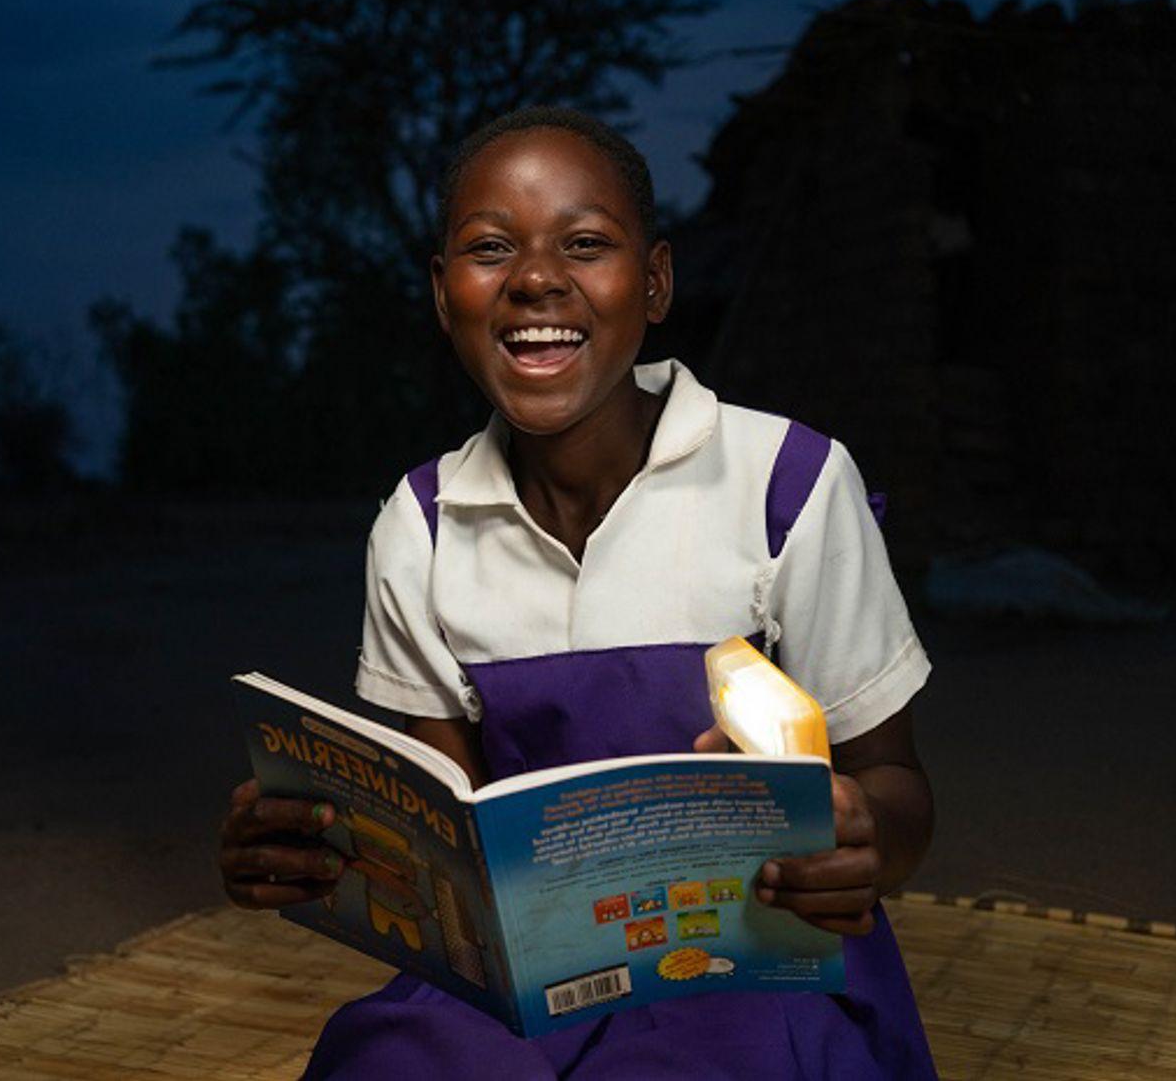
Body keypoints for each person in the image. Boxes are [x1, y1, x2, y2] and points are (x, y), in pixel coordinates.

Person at [219, 107, 937, 1079]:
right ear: (443, 295)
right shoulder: (422, 523)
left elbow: (894, 785)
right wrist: (314, 845)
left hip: (753, 959)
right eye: (487, 249)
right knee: (393, 1064)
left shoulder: (787, 482)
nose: (534, 279)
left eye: (586, 243)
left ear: (653, 283)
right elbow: (441, 827)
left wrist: (863, 841)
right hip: (531, 977)